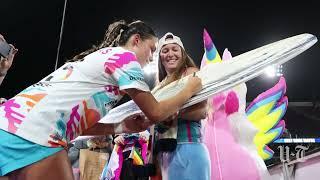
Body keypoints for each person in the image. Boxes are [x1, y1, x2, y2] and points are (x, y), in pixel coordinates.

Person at [0, 20, 202, 179]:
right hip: (37, 132)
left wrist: (121, 127)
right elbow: (155, 112)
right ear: (136, 40)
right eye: (151, 49)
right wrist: (190, 88)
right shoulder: (124, 58)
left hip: (8, 125)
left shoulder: (100, 60)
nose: (151, 57)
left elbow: (76, 127)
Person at [153, 32, 210, 180]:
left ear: (182, 53)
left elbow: (203, 111)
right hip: (166, 151)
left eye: (175, 49)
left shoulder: (191, 73)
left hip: (189, 146)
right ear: (160, 56)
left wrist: (169, 112)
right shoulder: (159, 85)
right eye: (165, 50)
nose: (170, 54)